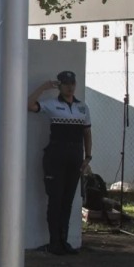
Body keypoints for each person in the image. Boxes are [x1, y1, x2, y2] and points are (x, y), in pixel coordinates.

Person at [28, 70, 91, 255]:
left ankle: (64, 241)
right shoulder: (51, 104)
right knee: (55, 200)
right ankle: (53, 242)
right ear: (59, 85)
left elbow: (87, 133)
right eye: (65, 83)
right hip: (55, 156)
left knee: (68, 201)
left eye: (72, 83)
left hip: (75, 157)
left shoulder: (83, 108)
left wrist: (88, 157)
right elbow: (28, 105)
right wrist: (43, 87)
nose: (69, 87)